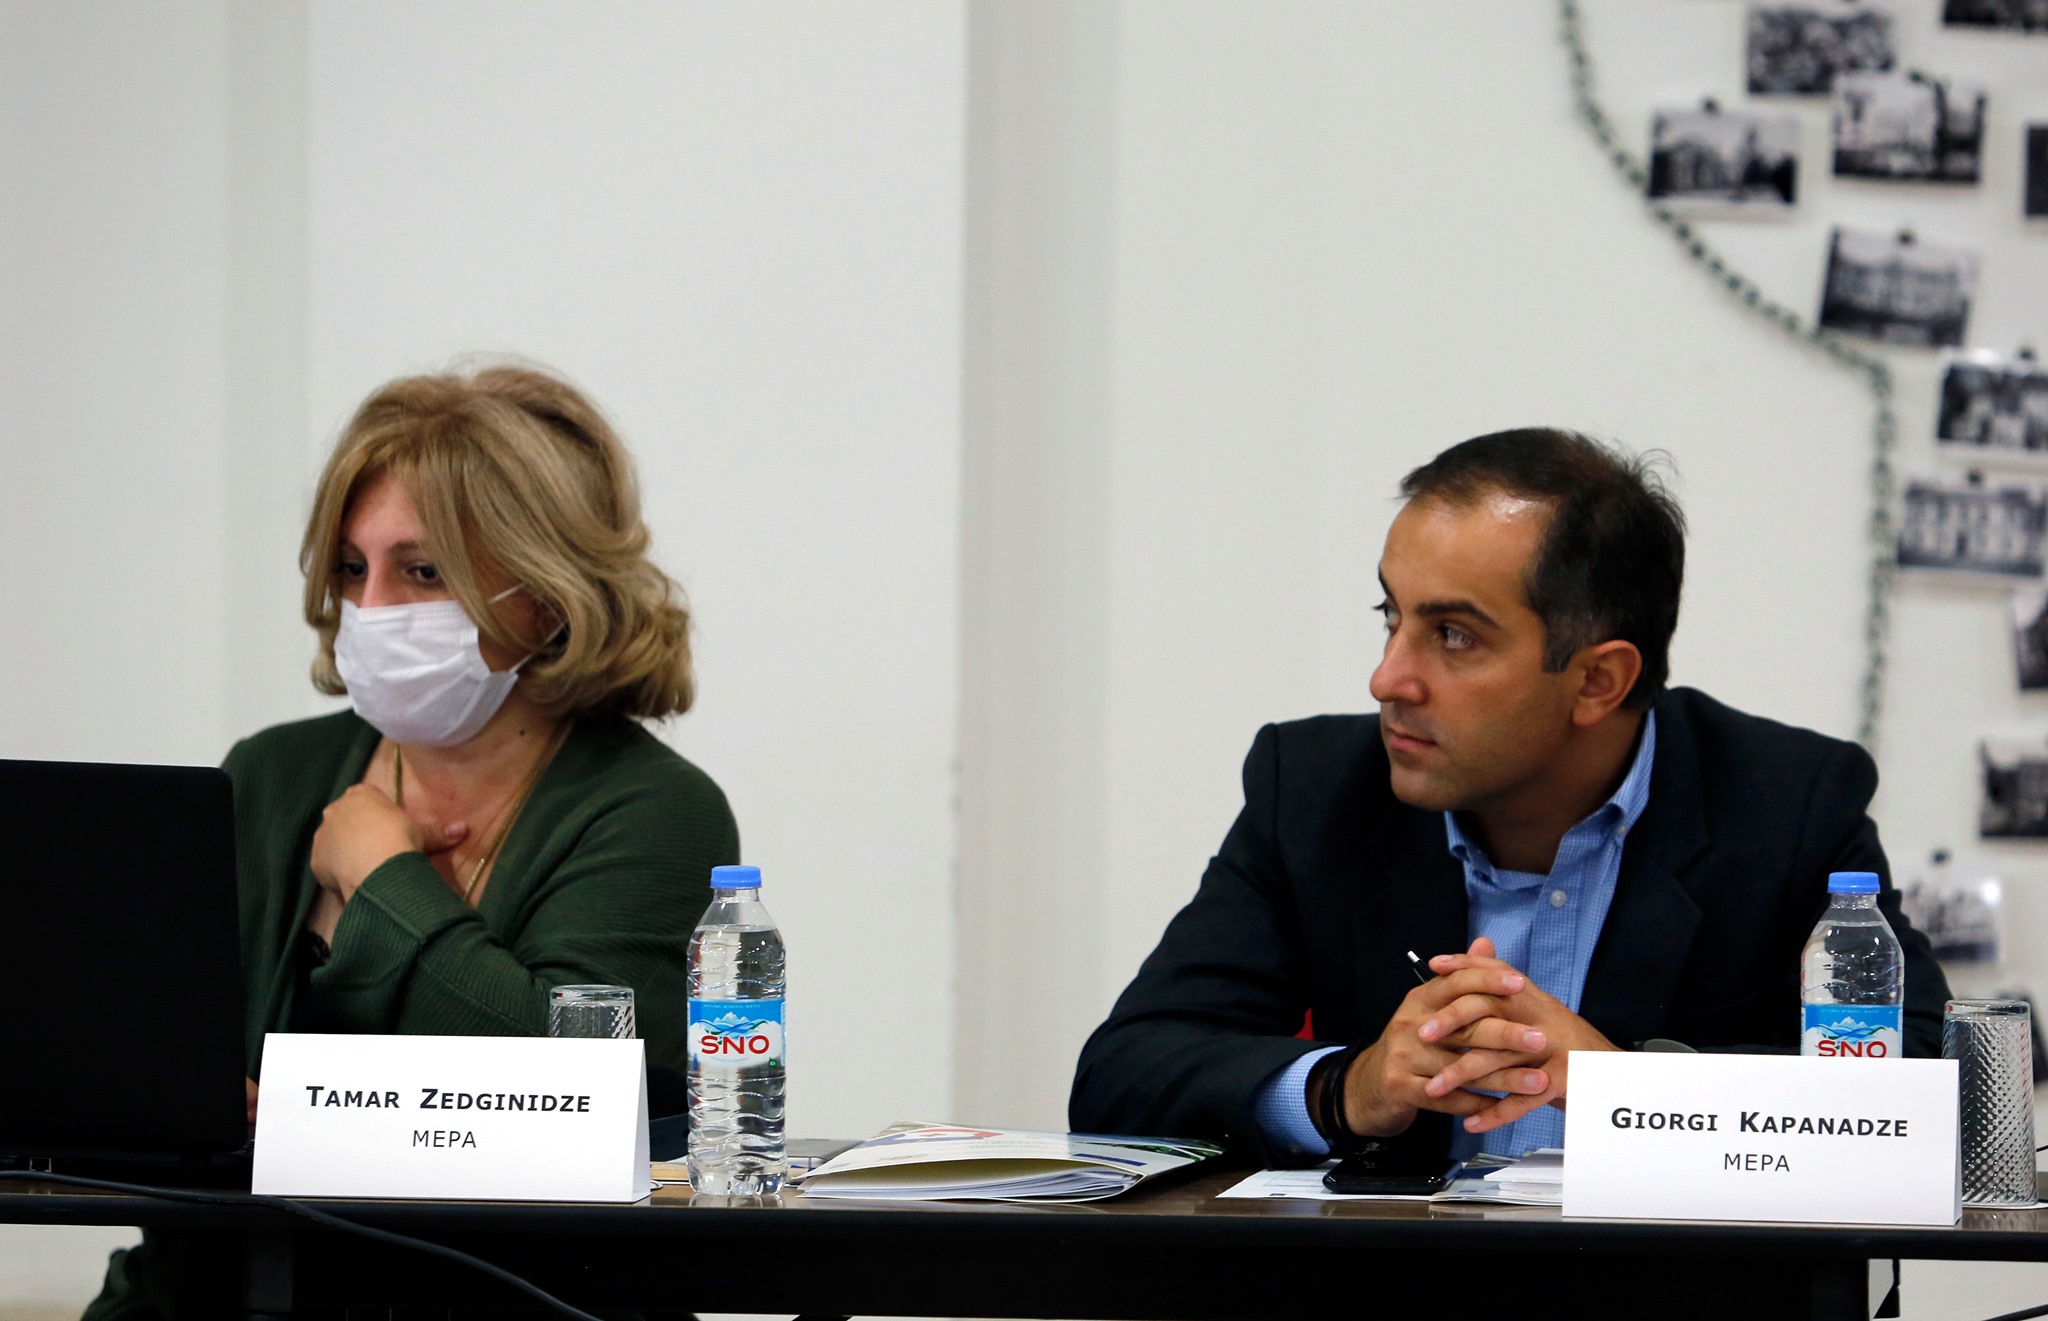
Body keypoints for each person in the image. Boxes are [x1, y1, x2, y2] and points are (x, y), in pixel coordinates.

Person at [1068, 428, 1948, 1168]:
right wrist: (1348, 1088)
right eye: (1391, 617)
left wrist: (1628, 1090)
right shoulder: (1314, 788)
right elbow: (1124, 1074)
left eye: (1453, 635)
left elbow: (1922, 1087)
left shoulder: (1785, 805)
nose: (1388, 679)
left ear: (1598, 680)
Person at [89, 361, 737, 1318]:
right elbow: (154, 1089)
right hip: (221, 1293)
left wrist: (381, 872)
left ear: (548, 591)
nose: (374, 608)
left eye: (422, 570)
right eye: (353, 569)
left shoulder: (655, 809)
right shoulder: (270, 774)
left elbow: (570, 1099)